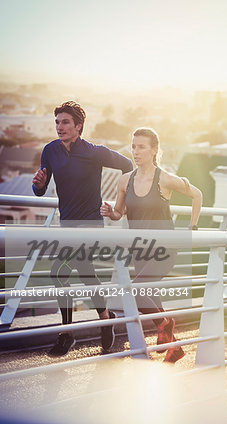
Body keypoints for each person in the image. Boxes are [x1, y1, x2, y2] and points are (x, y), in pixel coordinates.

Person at [32, 101, 133, 356]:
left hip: (90, 224)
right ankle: (105, 317)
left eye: (65, 122)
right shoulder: (50, 151)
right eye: (57, 122)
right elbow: (41, 190)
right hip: (67, 223)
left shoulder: (94, 152)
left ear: (78, 126)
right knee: (86, 273)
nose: (59, 127)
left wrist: (119, 201)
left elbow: (128, 166)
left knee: (58, 273)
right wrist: (38, 184)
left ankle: (66, 335)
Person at [100, 127, 202, 363]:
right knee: (150, 296)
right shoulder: (125, 180)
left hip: (164, 249)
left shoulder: (164, 178)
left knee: (137, 290)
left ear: (154, 150)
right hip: (140, 250)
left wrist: (192, 227)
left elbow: (197, 195)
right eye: (133, 146)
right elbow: (120, 212)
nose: (135, 151)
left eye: (141, 147)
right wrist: (110, 212)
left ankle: (166, 323)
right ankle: (174, 348)